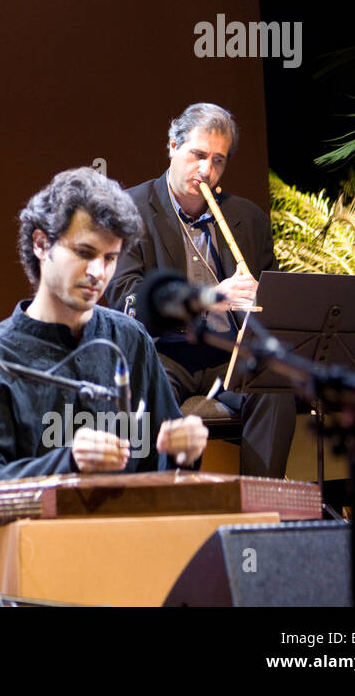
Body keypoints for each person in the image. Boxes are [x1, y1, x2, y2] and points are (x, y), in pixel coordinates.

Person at [0, 167, 208, 482]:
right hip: (39, 532)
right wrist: (69, 460)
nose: (97, 272)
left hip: (128, 529)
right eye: (84, 252)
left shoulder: (131, 339)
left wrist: (183, 453)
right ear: (41, 244)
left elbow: (160, 466)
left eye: (110, 258)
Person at [104, 103, 297, 478]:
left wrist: (263, 299)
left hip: (229, 358)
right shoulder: (129, 211)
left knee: (277, 386)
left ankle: (258, 507)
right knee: (147, 386)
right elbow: (126, 299)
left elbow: (274, 302)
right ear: (173, 146)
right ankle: (177, 508)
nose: (206, 170)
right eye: (197, 155)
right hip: (165, 354)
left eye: (218, 160)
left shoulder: (249, 218)